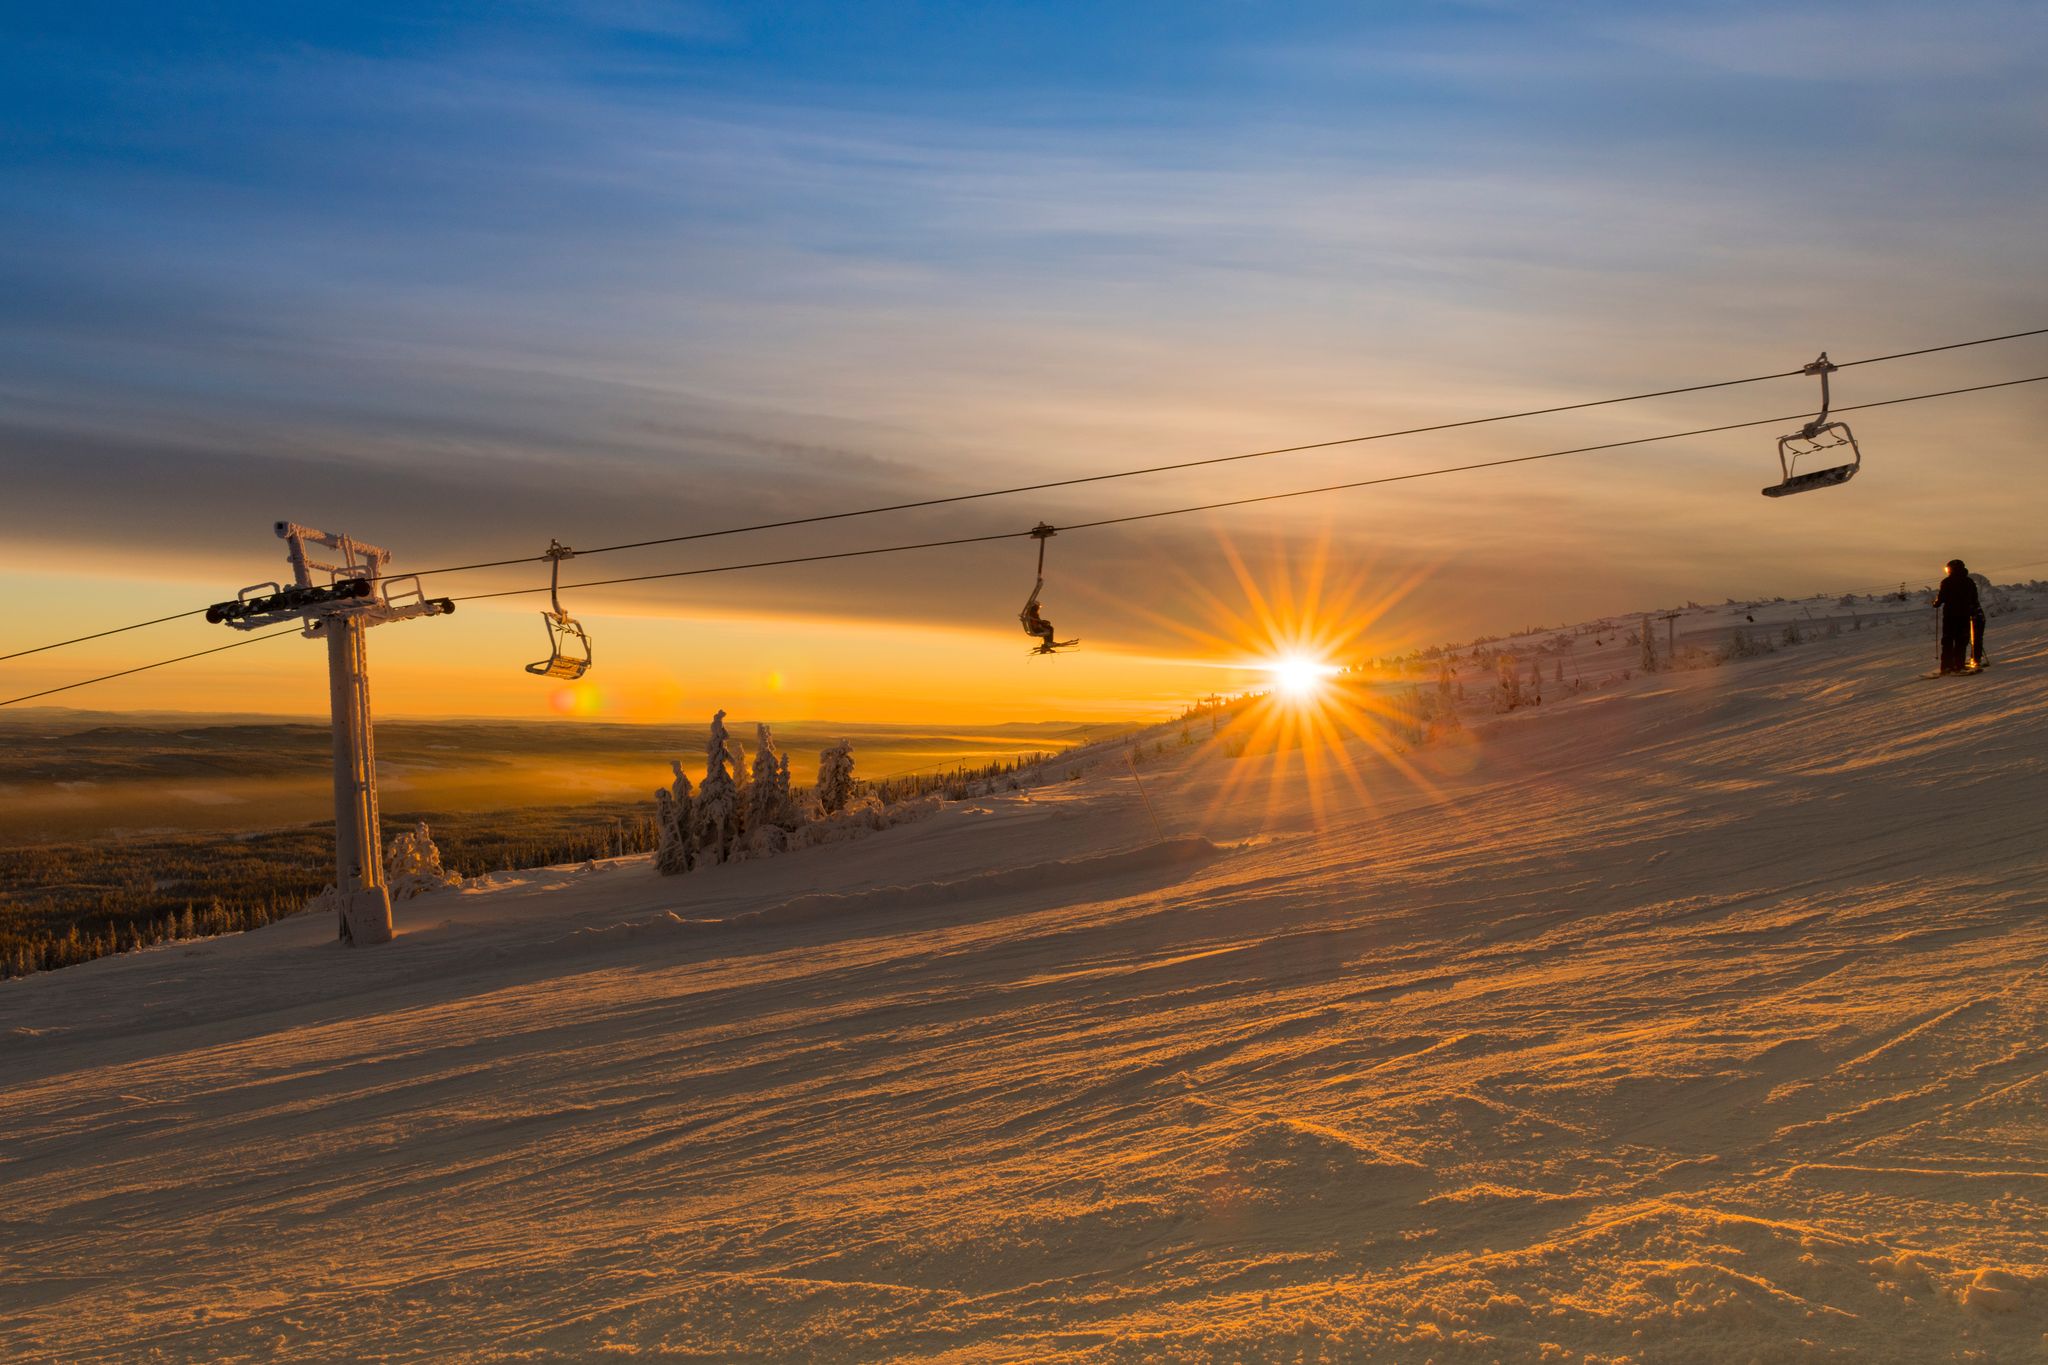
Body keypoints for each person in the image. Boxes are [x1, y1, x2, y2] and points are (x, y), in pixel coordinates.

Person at [1931, 559, 1981, 674]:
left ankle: (1946, 666)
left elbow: (1941, 598)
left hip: (1950, 615)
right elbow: (1974, 599)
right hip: (1964, 615)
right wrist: (1973, 610)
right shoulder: (1969, 582)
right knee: (1961, 640)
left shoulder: (1947, 582)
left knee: (1948, 640)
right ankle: (1959, 665)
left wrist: (1936, 604)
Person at [1020, 580, 1057, 651]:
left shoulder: (1030, 613)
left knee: (1046, 627)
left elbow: (1035, 620)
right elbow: (1035, 621)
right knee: (1050, 628)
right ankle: (1049, 642)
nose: (1038, 608)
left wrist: (1042, 622)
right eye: (1037, 607)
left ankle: (1046, 645)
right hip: (1035, 629)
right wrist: (1042, 623)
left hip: (1034, 628)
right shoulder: (1033, 613)